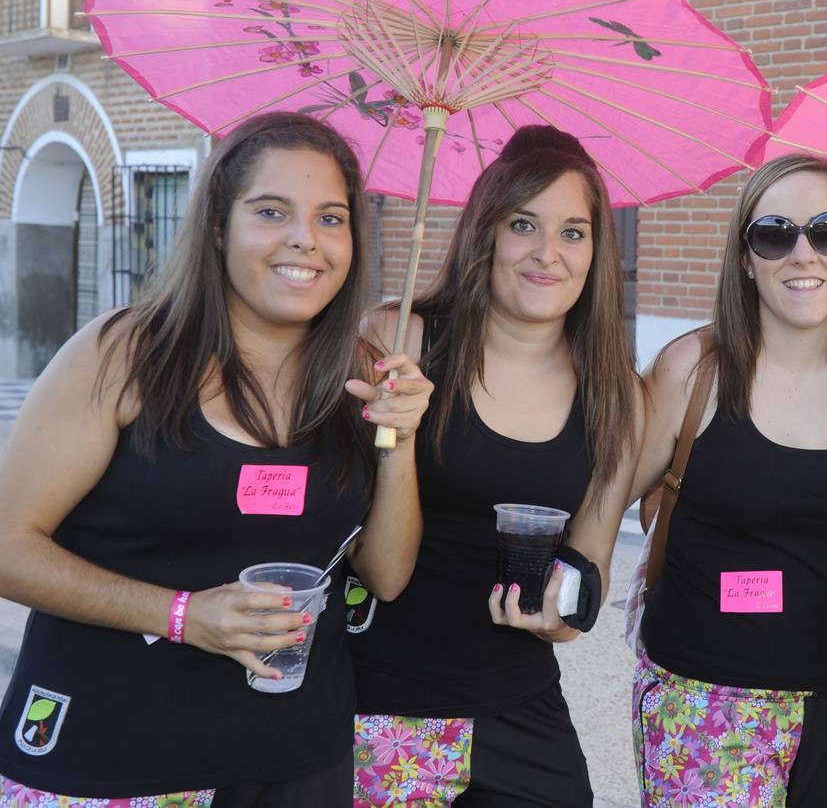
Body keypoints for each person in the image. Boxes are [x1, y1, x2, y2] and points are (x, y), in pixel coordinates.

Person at [0, 112, 430, 805]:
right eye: (271, 211)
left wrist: (400, 442)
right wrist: (180, 614)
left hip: (294, 762)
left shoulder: (362, 378)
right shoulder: (125, 355)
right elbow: (7, 547)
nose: (305, 240)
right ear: (219, 227)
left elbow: (384, 575)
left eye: (330, 218)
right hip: (111, 756)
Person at [347, 125, 641, 807]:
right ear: (485, 232)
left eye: (574, 232)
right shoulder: (400, 340)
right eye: (523, 224)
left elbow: (588, 567)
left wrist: (561, 618)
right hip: (388, 699)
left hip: (521, 705)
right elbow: (361, 555)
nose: (548, 254)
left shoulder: (614, 391)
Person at [630, 153, 827, 808]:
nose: (802, 254)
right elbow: (603, 495)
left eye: (825, 231)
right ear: (744, 256)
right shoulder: (691, 368)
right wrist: (566, 579)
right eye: (773, 233)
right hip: (703, 699)